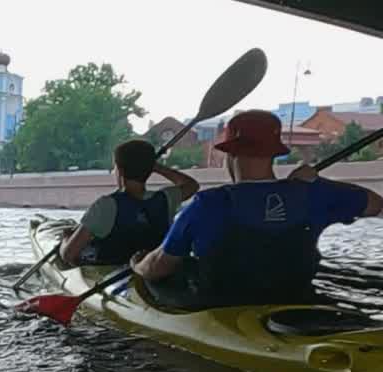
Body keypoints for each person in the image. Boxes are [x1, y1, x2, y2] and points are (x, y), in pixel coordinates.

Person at [132, 110, 383, 308]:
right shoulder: (314, 193)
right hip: (295, 301)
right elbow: (376, 204)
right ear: (274, 154)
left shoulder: (207, 203)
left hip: (223, 308)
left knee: (170, 271)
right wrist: (318, 183)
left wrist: (138, 265)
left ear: (231, 155)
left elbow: (159, 267)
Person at [61, 139, 199, 266]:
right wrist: (157, 167)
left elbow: (68, 256)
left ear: (120, 171)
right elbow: (192, 185)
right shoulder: (167, 198)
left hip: (111, 272)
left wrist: (66, 239)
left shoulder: (105, 205)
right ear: (150, 170)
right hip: (151, 269)